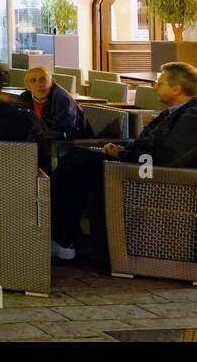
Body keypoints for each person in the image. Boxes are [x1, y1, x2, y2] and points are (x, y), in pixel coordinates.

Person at [50, 61, 197, 262]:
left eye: (159, 83)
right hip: (140, 169)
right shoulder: (175, 112)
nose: (154, 87)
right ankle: (60, 238)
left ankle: (57, 237)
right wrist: (123, 149)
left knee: (78, 161)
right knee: (76, 162)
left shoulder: (191, 117)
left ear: (177, 88)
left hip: (155, 180)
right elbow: (151, 148)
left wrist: (122, 155)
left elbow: (165, 159)